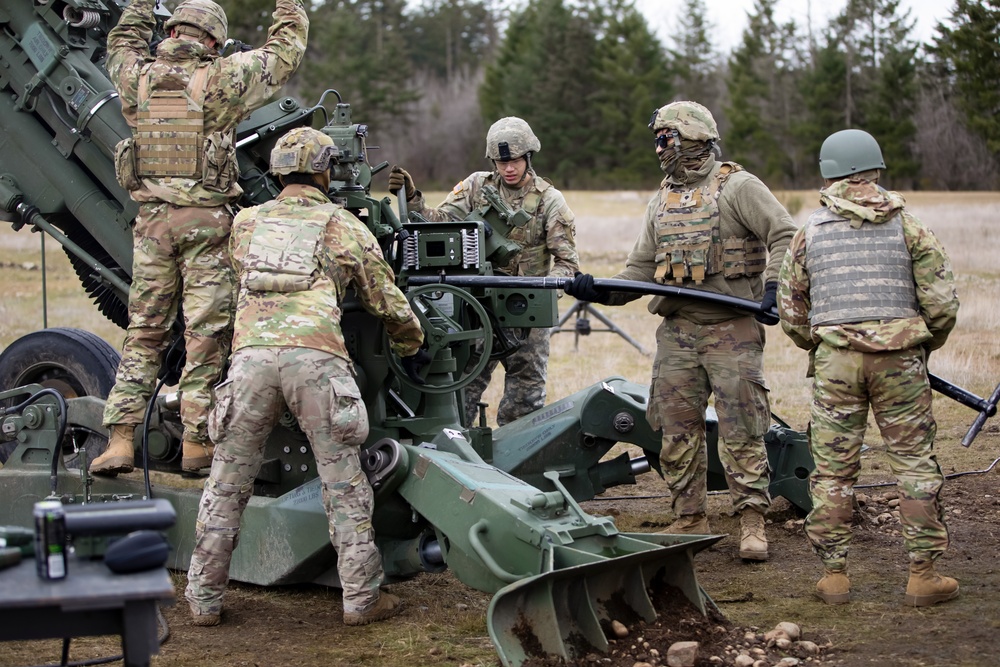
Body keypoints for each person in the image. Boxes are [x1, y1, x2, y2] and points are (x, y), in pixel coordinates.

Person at [185, 127, 430, 626]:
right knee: (343, 481)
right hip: (316, 363)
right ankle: (362, 600)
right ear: (324, 171)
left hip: (251, 361)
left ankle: (203, 601)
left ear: (278, 172)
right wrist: (411, 342)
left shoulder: (247, 223)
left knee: (227, 481)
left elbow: (239, 276)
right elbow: (384, 297)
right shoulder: (341, 224)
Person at [565, 101, 796, 561]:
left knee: (742, 429)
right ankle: (689, 516)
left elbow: (785, 234)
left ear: (690, 137)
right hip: (678, 333)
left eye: (665, 138)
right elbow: (639, 271)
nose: (659, 148)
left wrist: (773, 288)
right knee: (675, 429)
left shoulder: (739, 188)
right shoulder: (662, 200)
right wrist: (596, 291)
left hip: (732, 329)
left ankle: (752, 519)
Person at [90, 0, 309, 476]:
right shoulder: (222, 78)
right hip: (206, 226)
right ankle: (194, 443)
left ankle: (121, 439)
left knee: (145, 333)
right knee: (205, 335)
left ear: (171, 32)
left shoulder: (136, 76)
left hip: (152, 227)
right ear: (212, 40)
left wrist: (138, 7)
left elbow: (121, 42)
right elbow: (283, 55)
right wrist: (289, 7)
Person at [777, 129, 960, 606]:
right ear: (876, 168)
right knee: (915, 464)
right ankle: (923, 576)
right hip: (900, 362)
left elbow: (792, 314)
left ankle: (834, 577)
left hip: (836, 363)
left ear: (829, 171)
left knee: (834, 471)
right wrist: (921, 347)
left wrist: (821, 346)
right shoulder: (910, 227)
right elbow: (941, 304)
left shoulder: (809, 233)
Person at [387, 117, 579, 427]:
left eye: (514, 160)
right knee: (459, 392)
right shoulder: (477, 186)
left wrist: (542, 292)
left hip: (525, 312)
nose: (508, 168)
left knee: (524, 402)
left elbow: (568, 265)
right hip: (477, 309)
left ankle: (515, 461)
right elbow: (436, 222)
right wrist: (411, 198)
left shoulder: (549, 201)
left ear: (528, 157)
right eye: (501, 162)